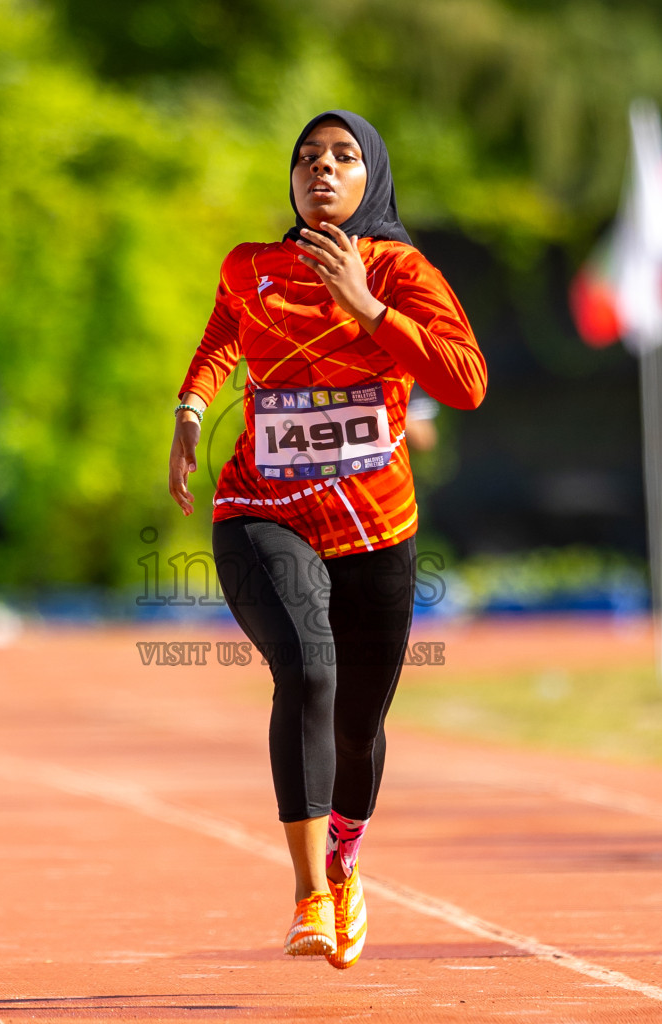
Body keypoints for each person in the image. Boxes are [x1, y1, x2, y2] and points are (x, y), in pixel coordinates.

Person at [167, 110, 486, 969]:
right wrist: (193, 407)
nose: (322, 170)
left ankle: (345, 857)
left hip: (376, 526)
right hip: (259, 507)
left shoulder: (401, 271)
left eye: (343, 158)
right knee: (307, 669)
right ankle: (309, 895)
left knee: (359, 721)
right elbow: (221, 336)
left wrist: (368, 307)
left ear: (370, 177)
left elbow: (466, 383)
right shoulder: (252, 268)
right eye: (307, 158)